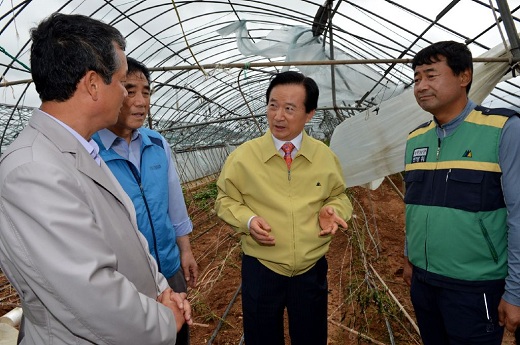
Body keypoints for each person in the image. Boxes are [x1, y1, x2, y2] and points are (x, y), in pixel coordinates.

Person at [0, 13, 192, 345]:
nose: (126, 95)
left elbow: (131, 239)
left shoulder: (80, 149)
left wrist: (161, 289)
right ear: (92, 84)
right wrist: (164, 318)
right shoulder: (32, 170)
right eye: (120, 82)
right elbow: (92, 297)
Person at [215, 70, 353, 345]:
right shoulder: (244, 157)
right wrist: (249, 220)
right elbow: (225, 200)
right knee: (262, 337)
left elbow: (339, 195)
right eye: (273, 105)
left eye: (290, 108)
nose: (278, 116)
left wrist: (334, 210)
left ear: (309, 113)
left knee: (311, 336)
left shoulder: (324, 157)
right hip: (262, 267)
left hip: (310, 268)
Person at [402, 40, 520, 344]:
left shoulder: (502, 129)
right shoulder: (416, 139)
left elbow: (518, 215)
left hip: (474, 286)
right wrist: (409, 258)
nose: (420, 86)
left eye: (431, 75)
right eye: (416, 78)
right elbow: (412, 206)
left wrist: (516, 291)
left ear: (464, 76)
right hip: (424, 283)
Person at [92, 56, 198, 345]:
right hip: (127, 280)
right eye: (129, 90)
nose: (141, 101)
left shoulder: (157, 143)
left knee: (178, 334)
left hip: (169, 267)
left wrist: (184, 250)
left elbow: (174, 201)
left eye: (146, 92)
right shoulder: (92, 152)